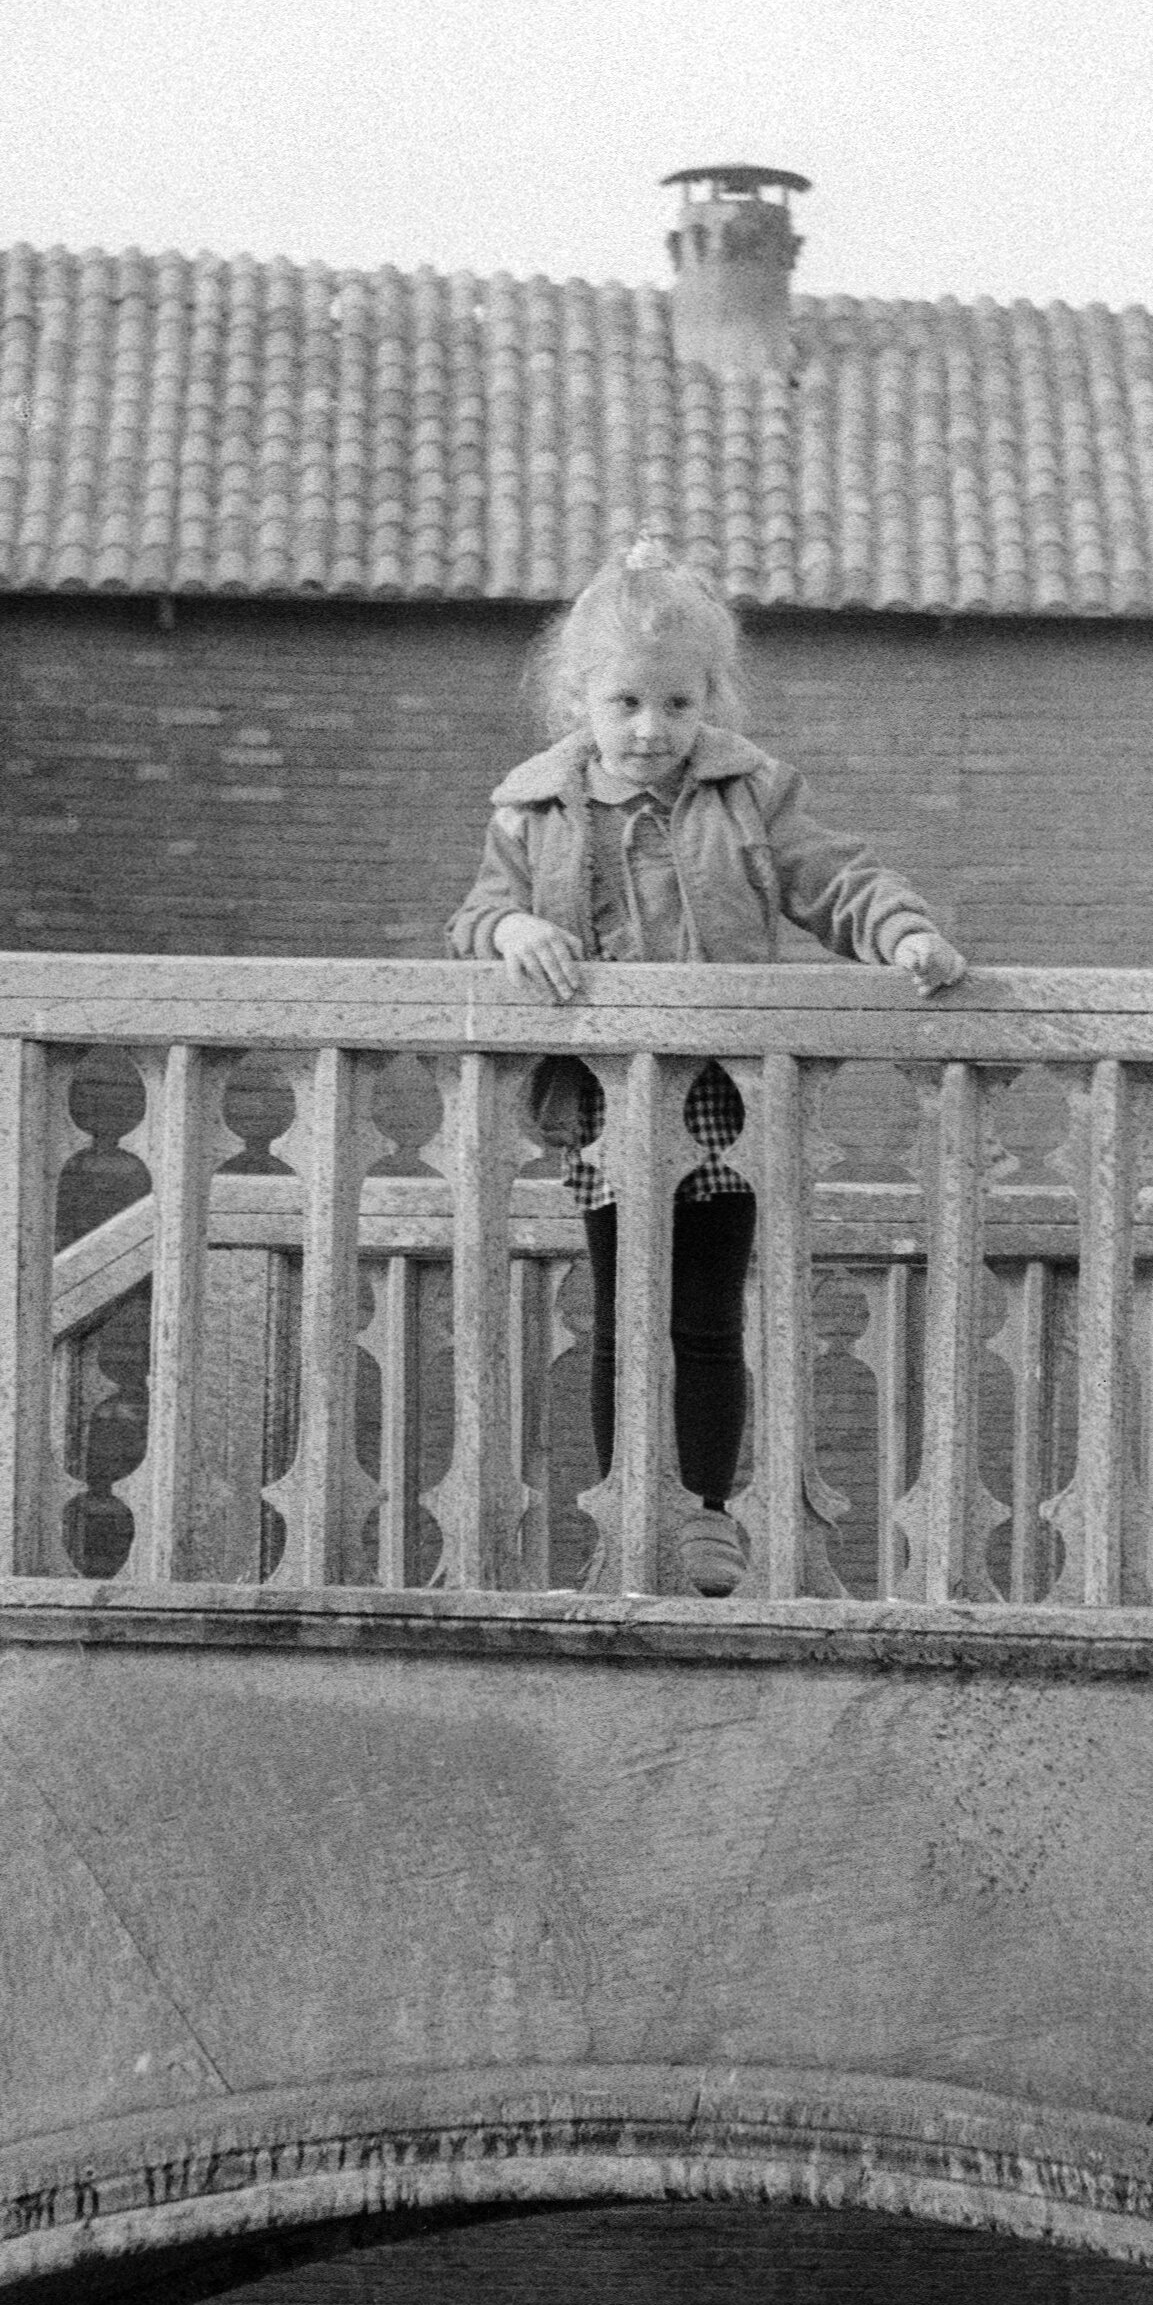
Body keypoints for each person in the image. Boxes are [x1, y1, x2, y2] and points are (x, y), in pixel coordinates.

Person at [452, 545, 965, 1588]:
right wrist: (511, 930)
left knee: (706, 1312)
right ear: (578, 698)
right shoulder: (534, 810)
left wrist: (904, 933)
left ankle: (704, 1511)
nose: (651, 727)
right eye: (626, 702)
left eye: (677, 704)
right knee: (618, 1312)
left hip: (724, 1092)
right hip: (605, 1098)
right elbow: (474, 914)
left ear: (710, 700)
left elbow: (836, 880)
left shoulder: (750, 795)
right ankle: (626, 1502)